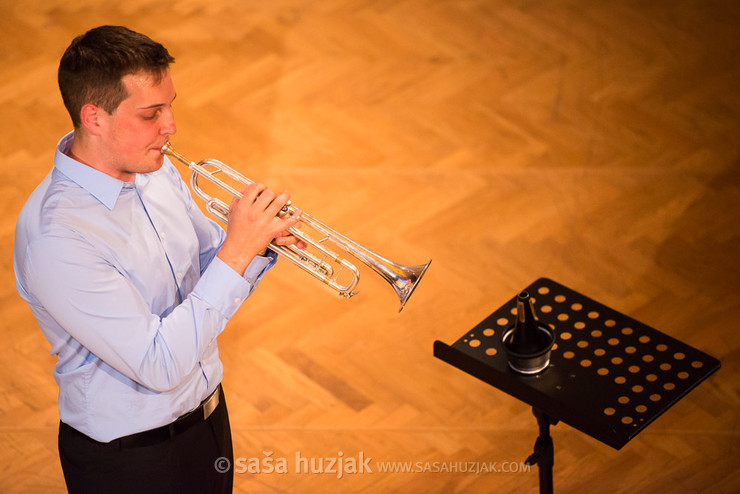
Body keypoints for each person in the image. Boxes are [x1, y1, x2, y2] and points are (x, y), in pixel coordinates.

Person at [13, 25, 302, 493]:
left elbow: (208, 264)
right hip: (130, 462)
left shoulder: (155, 170)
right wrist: (237, 252)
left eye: (170, 106)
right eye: (151, 114)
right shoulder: (57, 239)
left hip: (207, 421)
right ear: (94, 117)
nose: (171, 126)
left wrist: (259, 240)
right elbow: (159, 364)